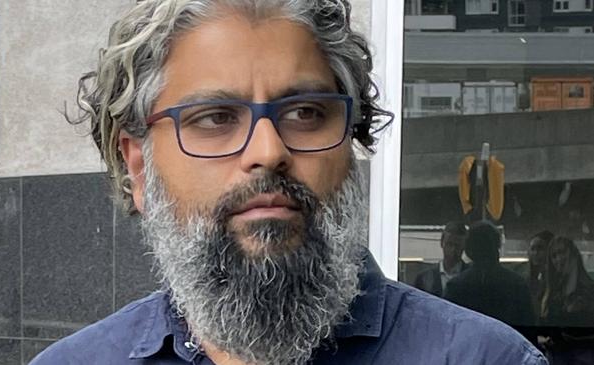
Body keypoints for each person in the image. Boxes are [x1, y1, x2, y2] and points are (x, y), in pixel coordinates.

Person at [30, 1, 546, 364]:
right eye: (214, 118)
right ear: (139, 166)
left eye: (305, 112)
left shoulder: (484, 358)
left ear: (351, 143)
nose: (269, 151)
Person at [445, 221, 535, 328]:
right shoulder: (517, 284)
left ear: (469, 250)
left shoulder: (455, 286)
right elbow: (528, 327)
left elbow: (448, 329)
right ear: (497, 248)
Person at [539, 236, 594, 364]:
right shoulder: (550, 290)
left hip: (584, 353)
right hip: (556, 354)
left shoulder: (588, 288)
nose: (559, 259)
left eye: (562, 252)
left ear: (572, 254)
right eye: (554, 255)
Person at [414, 221, 469, 297]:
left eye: (457, 246)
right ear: (441, 243)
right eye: (449, 244)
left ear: (464, 246)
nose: (453, 250)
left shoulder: (472, 278)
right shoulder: (424, 278)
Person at [527, 230, 553, 320]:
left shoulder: (557, 281)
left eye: (540, 248)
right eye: (532, 249)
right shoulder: (526, 279)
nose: (535, 253)